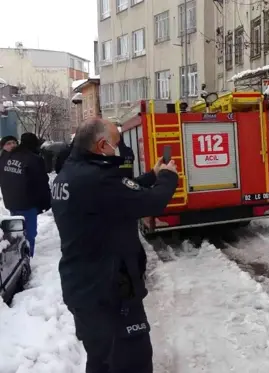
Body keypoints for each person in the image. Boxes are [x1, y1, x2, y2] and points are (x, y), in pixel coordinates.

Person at [51, 117, 178, 373]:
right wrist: (167, 178)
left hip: (86, 289)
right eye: (116, 143)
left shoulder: (71, 174)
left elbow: (121, 193)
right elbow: (151, 203)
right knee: (131, 362)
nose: (118, 149)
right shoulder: (97, 179)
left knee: (102, 360)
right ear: (101, 145)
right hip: (109, 294)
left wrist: (151, 175)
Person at [0, 132, 51, 256]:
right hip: (27, 202)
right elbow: (42, 183)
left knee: (17, 229)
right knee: (29, 232)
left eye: (14, 142)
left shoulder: (6, 157)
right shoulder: (33, 158)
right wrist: (46, 201)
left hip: (11, 201)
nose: (12, 145)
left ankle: (18, 254)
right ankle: (26, 258)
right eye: (9, 143)